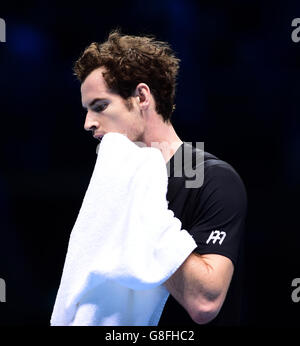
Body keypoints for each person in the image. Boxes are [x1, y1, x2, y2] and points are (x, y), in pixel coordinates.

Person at [72, 29, 247, 326]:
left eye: (100, 106)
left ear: (141, 96)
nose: (89, 123)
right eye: (87, 110)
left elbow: (204, 302)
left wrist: (138, 204)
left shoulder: (212, 179)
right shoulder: (110, 184)